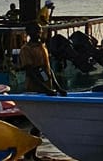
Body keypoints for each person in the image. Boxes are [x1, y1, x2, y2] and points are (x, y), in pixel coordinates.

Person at [18, 22, 66, 161]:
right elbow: (30, 72)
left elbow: (48, 69)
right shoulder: (26, 49)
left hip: (47, 87)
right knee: (36, 122)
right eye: (36, 31)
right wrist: (45, 90)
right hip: (34, 89)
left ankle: (31, 153)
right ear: (29, 32)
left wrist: (57, 87)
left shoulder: (42, 46)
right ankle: (29, 153)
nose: (39, 33)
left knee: (39, 125)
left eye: (40, 30)